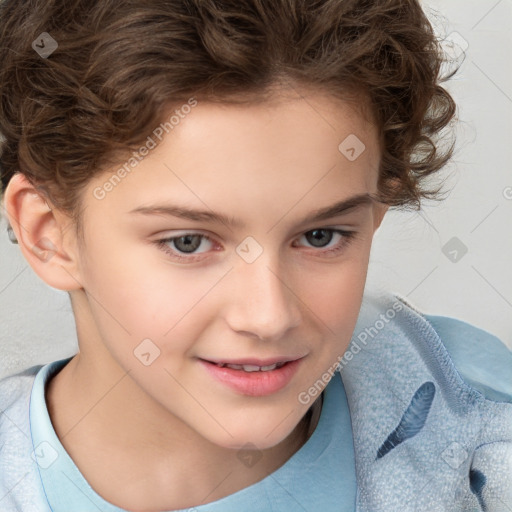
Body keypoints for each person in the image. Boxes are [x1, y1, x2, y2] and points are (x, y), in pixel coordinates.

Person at [0, 0, 510, 511]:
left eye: (320, 236)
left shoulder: (479, 423)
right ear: (48, 234)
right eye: (188, 242)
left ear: (377, 208)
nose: (268, 317)